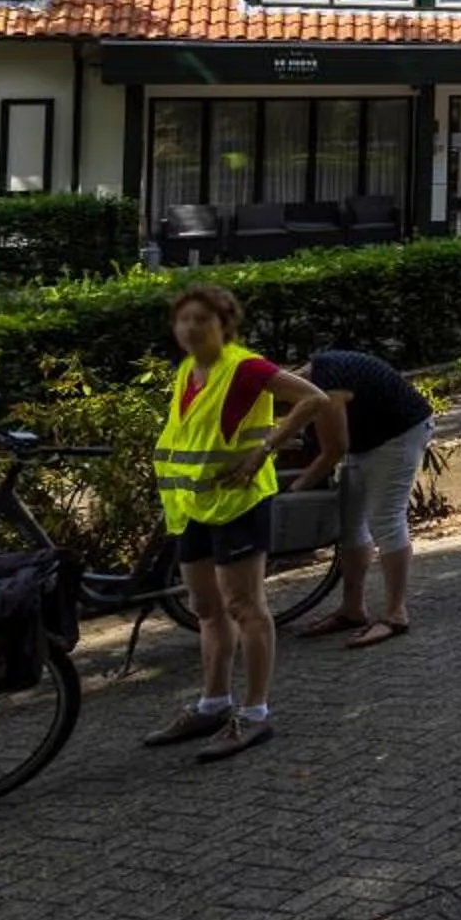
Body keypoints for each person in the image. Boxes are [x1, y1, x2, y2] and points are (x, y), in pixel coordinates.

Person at [142, 284, 327, 762]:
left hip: (238, 504)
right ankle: (213, 704)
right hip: (192, 506)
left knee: (245, 607)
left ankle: (255, 712)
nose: (190, 328)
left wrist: (264, 449)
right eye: (183, 320)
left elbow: (313, 399)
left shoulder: (245, 367)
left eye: (201, 320)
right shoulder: (188, 370)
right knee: (206, 608)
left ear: (225, 324)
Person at [285, 348, 437, 648]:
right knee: (351, 523)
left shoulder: (326, 389)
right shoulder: (311, 382)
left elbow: (334, 450)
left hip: (398, 434)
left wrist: (294, 490)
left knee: (386, 519)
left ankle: (395, 614)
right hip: (366, 439)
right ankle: (353, 609)